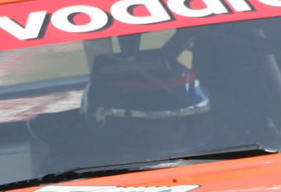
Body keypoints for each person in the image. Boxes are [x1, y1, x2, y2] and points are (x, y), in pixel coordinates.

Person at [81, 51, 213, 162]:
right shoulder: (82, 169)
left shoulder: (224, 152)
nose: (162, 133)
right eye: (146, 124)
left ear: (194, 125)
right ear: (119, 127)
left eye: (175, 124)